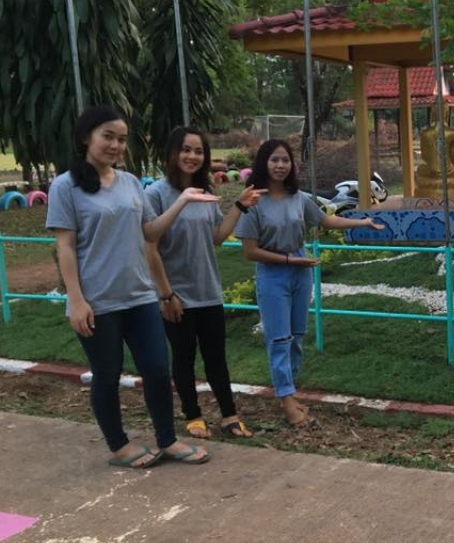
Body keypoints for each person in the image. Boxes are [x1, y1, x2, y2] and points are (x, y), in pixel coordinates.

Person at [46, 105, 217, 468]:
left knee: (157, 368)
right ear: (86, 138)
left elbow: (150, 233)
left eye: (122, 139)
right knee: (107, 374)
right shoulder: (65, 186)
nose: (116, 145)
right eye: (108, 136)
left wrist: (182, 201)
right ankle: (119, 445)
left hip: (140, 295)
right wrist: (76, 300)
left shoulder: (130, 182)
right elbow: (65, 247)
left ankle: (167, 440)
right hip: (98, 300)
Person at [234, 139, 384, 426]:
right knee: (279, 339)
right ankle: (286, 399)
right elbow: (250, 251)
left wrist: (362, 222)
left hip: (300, 270)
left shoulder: (298, 197)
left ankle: (289, 390)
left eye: (285, 160)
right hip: (273, 273)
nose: (280, 165)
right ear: (264, 163)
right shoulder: (254, 201)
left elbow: (325, 221)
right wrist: (289, 261)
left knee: (297, 336)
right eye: (274, 160)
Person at [146, 125, 266, 440]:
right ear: (172, 153)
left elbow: (217, 236)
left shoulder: (205, 193)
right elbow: (149, 246)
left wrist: (239, 206)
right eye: (186, 150)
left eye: (199, 151)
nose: (192, 156)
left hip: (208, 290)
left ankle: (229, 415)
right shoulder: (156, 194)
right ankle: (193, 415)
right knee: (183, 357)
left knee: (216, 357)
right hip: (175, 295)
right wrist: (165, 294)